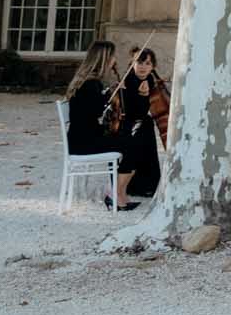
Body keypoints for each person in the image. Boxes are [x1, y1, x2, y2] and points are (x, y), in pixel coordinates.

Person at [65, 41, 133, 208]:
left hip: (80, 138)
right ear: (105, 59)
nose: (114, 60)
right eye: (113, 57)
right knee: (132, 143)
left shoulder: (86, 81)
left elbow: (92, 110)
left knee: (128, 139)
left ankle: (118, 191)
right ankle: (115, 193)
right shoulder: (91, 84)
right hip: (85, 143)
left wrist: (109, 93)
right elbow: (97, 112)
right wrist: (110, 95)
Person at [108, 46, 169, 201]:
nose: (143, 67)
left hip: (138, 124)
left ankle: (147, 184)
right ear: (132, 64)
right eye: (139, 62)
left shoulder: (150, 80)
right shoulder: (127, 82)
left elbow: (147, 112)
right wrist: (142, 95)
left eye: (147, 63)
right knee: (143, 126)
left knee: (146, 124)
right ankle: (136, 185)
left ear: (153, 67)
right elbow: (131, 113)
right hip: (123, 126)